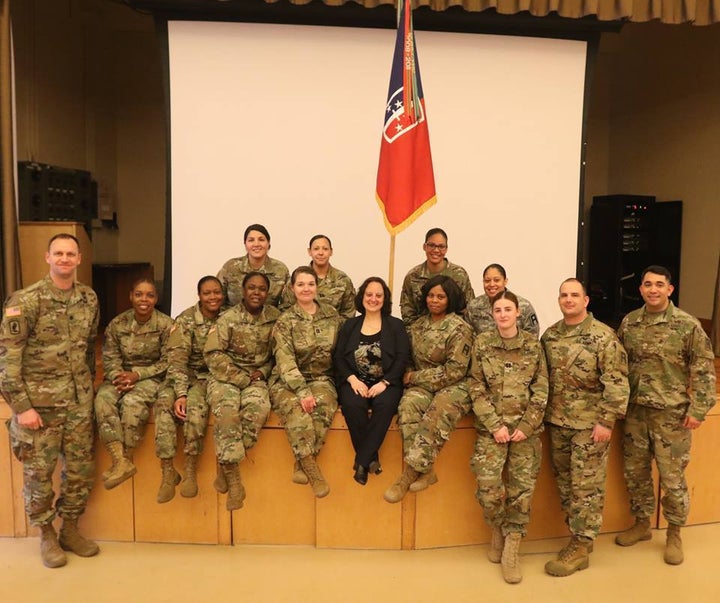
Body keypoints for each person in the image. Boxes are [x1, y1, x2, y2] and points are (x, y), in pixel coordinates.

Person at [0, 233, 99, 568]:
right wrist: (22, 407)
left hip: (78, 404)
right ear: (47, 257)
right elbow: (8, 359)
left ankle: (69, 529)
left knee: (80, 472)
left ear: (79, 259)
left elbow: (87, 349)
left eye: (70, 254)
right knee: (39, 474)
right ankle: (46, 535)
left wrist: (88, 391)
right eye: (58, 253)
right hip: (39, 408)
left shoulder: (88, 298)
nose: (64, 259)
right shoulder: (25, 301)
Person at [615, 265, 716, 565]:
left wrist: (698, 409)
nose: (653, 289)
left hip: (671, 415)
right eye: (648, 284)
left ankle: (674, 531)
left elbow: (703, 370)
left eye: (659, 284)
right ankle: (642, 523)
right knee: (636, 473)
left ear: (670, 289)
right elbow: (619, 365)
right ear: (641, 289)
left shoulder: (687, 326)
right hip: (635, 413)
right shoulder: (630, 323)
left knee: (672, 478)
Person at [541, 278, 629, 576]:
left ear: (586, 300)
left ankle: (580, 545)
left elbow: (617, 382)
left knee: (585, 487)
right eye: (564, 295)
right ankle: (579, 535)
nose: (568, 300)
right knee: (566, 484)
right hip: (557, 423)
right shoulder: (551, 335)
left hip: (589, 426)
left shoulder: (603, 337)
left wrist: (606, 421)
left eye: (574, 295)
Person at [468, 290, 548, 584]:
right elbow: (474, 386)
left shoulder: (532, 345)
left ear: (518, 313)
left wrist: (527, 425)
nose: (503, 314)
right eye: (498, 310)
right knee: (488, 488)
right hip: (493, 430)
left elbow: (542, 388)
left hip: (525, 432)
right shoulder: (483, 343)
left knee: (521, 491)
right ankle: (497, 528)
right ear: (493, 315)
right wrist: (494, 424)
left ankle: (512, 546)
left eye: (508, 309)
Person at [384, 275, 473, 503]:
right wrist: (412, 374)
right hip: (422, 383)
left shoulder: (460, 328)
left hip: (455, 385)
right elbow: (409, 358)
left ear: (450, 299)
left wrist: (415, 376)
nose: (434, 300)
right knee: (408, 405)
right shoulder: (418, 325)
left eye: (440, 296)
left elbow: (455, 370)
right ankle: (426, 470)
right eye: (431, 295)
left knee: (439, 408)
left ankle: (408, 475)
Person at [204, 272, 281, 510]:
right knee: (227, 413)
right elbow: (213, 354)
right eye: (251, 288)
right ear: (243, 290)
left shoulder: (276, 318)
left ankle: (224, 465)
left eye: (261, 289)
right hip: (226, 377)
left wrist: (264, 372)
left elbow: (279, 355)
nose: (256, 293)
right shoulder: (228, 318)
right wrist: (240, 377)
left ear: (267, 293)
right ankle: (235, 482)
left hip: (257, 377)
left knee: (258, 410)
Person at [269, 266, 341, 498]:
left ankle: (302, 462)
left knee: (323, 407)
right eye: (300, 284)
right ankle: (311, 468)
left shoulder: (332, 316)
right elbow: (284, 359)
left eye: (310, 284)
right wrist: (301, 390)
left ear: (317, 287)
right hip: (288, 380)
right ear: (293, 288)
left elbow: (341, 352)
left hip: (321, 378)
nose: (306, 288)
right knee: (296, 410)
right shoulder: (285, 320)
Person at [94, 278, 173, 490]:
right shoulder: (117, 324)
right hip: (120, 377)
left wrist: (137, 375)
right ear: (131, 296)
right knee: (102, 399)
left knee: (132, 403)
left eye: (149, 295)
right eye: (139, 294)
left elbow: (169, 362)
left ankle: (125, 457)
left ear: (156, 298)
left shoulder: (167, 325)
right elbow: (110, 357)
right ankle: (119, 459)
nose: (143, 299)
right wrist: (119, 377)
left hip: (151, 378)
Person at [154, 276, 226, 504]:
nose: (212, 297)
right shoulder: (185, 319)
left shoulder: (229, 318)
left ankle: (190, 468)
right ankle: (167, 471)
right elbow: (177, 359)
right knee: (164, 404)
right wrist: (181, 393)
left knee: (196, 409)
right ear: (199, 295)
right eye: (207, 293)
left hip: (210, 378)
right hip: (182, 376)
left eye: (216, 292)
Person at [334, 277, 410, 485]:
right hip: (354, 381)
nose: (373, 299)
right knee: (352, 404)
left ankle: (361, 462)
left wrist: (384, 382)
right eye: (369, 294)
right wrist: (352, 379)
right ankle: (371, 459)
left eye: (378, 295)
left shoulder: (395, 326)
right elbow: (338, 357)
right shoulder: (350, 325)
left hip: (386, 383)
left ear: (385, 299)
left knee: (385, 405)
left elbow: (403, 357)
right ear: (362, 297)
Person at [399, 227, 474, 326]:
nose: (436, 250)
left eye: (441, 246)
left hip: (454, 334)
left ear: (446, 249)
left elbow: (469, 309)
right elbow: (408, 313)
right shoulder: (413, 276)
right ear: (424, 247)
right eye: (431, 245)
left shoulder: (459, 275)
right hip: (421, 335)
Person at [280, 234, 356, 318]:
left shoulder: (343, 280)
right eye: (316, 249)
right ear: (309, 251)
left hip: (334, 329)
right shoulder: (297, 279)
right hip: (300, 329)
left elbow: (348, 313)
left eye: (325, 249)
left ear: (331, 252)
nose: (320, 253)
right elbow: (286, 310)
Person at [217, 223, 289, 307]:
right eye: (251, 240)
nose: (256, 244)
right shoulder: (231, 267)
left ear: (268, 243)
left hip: (269, 319)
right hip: (232, 319)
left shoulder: (280, 270)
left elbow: (286, 305)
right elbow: (217, 300)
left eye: (261, 240)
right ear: (245, 244)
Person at [465, 263, 539, 337]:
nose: (491, 284)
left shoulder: (523, 305)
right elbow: (468, 335)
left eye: (496, 280)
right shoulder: (473, 306)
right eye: (487, 281)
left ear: (505, 281)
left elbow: (533, 336)